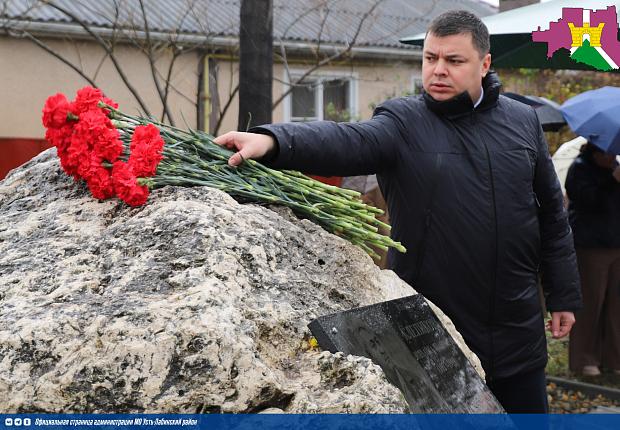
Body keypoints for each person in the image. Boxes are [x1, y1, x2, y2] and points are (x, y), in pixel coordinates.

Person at [215, 10, 582, 413]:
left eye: (453, 61)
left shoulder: (522, 121)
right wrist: (273, 141)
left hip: (518, 331)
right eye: (430, 58)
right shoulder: (403, 121)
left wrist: (563, 294)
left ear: (485, 63)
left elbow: (551, 215)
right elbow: (347, 139)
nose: (438, 70)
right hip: (436, 331)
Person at [565, 143, 620, 377]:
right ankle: (585, 359)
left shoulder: (615, 168)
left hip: (616, 243)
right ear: (596, 152)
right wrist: (612, 181)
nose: (611, 158)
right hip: (591, 245)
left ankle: (614, 358)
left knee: (616, 306)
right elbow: (588, 201)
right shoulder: (580, 168)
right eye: (607, 154)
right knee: (590, 303)